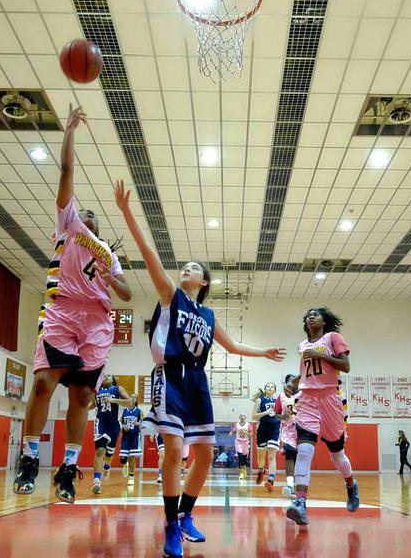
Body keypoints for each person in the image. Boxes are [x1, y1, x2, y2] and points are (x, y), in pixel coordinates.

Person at [113, 179, 285, 558]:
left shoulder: (207, 313)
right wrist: (127, 213)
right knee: (173, 450)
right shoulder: (170, 296)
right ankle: (170, 525)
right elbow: (153, 259)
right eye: (184, 267)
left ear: (203, 281)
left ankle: (186, 515)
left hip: (198, 381)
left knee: (204, 456)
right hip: (169, 376)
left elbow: (234, 345)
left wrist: (264, 352)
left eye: (193, 268)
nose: (185, 269)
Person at [15, 104, 132, 504]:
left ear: (101, 228)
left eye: (92, 215)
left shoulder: (106, 253)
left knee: (82, 396)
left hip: (98, 322)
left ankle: (68, 467)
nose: (87, 213)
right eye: (83, 211)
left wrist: (109, 276)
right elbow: (65, 174)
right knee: (45, 382)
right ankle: (29, 457)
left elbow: (127, 293)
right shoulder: (69, 227)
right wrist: (69, 131)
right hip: (63, 311)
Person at [285, 307, 360, 526]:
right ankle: (300, 503)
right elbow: (309, 370)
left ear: (324, 321)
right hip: (308, 399)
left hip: (330, 398)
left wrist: (320, 354)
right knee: (305, 449)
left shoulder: (332, 338)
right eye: (307, 314)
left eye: (315, 314)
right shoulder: (302, 345)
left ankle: (350, 485)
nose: (310, 316)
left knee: (337, 455)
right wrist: (294, 382)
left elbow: (345, 366)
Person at [89, 375, 133, 493]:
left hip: (114, 424)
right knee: (100, 450)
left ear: (113, 380)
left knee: (109, 454)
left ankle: (107, 466)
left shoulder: (118, 389)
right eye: (104, 375)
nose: (106, 376)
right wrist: (85, 409)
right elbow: (94, 404)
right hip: (100, 422)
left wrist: (114, 400)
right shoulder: (97, 390)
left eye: (109, 376)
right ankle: (96, 482)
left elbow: (130, 403)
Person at [253, 382, 281, 491]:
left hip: (274, 429)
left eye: (272, 386)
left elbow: (280, 415)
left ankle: (271, 480)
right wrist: (265, 412)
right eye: (268, 386)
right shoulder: (260, 400)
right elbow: (254, 416)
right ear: (265, 389)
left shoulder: (278, 401)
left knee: (271, 455)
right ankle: (261, 469)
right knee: (261, 454)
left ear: (275, 390)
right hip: (262, 429)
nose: (270, 388)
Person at [275, 375, 299, 497]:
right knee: (290, 455)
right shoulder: (281, 396)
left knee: (300, 458)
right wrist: (281, 417)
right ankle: (290, 485)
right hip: (288, 430)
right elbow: (276, 414)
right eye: (290, 380)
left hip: (302, 429)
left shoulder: (304, 393)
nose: (293, 382)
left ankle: (300, 485)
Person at [119, 394, 142, 487]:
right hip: (125, 436)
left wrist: (138, 423)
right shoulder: (124, 411)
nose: (132, 398)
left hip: (135, 435)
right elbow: (120, 421)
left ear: (136, 400)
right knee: (123, 457)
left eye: (134, 397)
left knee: (132, 457)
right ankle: (125, 464)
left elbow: (144, 422)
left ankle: (131, 477)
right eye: (131, 396)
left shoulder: (139, 411)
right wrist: (122, 426)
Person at [230, 413, 252, 482]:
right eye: (241, 416)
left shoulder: (248, 424)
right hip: (238, 442)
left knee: (244, 457)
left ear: (245, 417)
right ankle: (241, 473)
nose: (242, 417)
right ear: (239, 417)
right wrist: (231, 433)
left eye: (243, 415)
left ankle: (244, 468)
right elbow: (233, 431)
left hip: (245, 442)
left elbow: (251, 434)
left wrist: (246, 433)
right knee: (240, 456)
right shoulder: (236, 424)